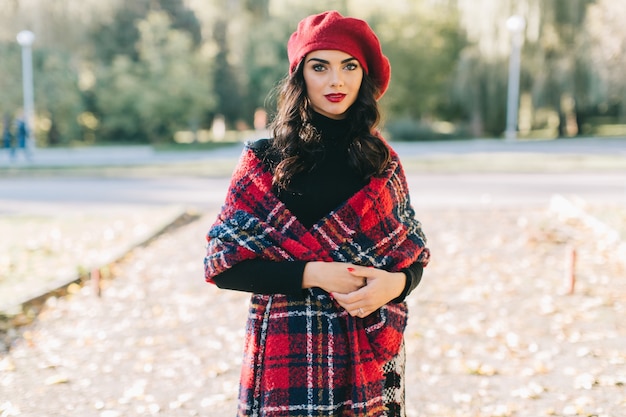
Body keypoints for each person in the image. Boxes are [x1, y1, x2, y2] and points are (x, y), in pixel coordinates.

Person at [204, 10, 430, 417]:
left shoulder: (382, 163)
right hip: (286, 354)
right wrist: (314, 274)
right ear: (300, 75)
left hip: (366, 349)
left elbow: (413, 258)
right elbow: (223, 266)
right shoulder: (263, 162)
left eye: (349, 66)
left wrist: (394, 286)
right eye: (319, 66)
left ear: (365, 76)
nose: (335, 80)